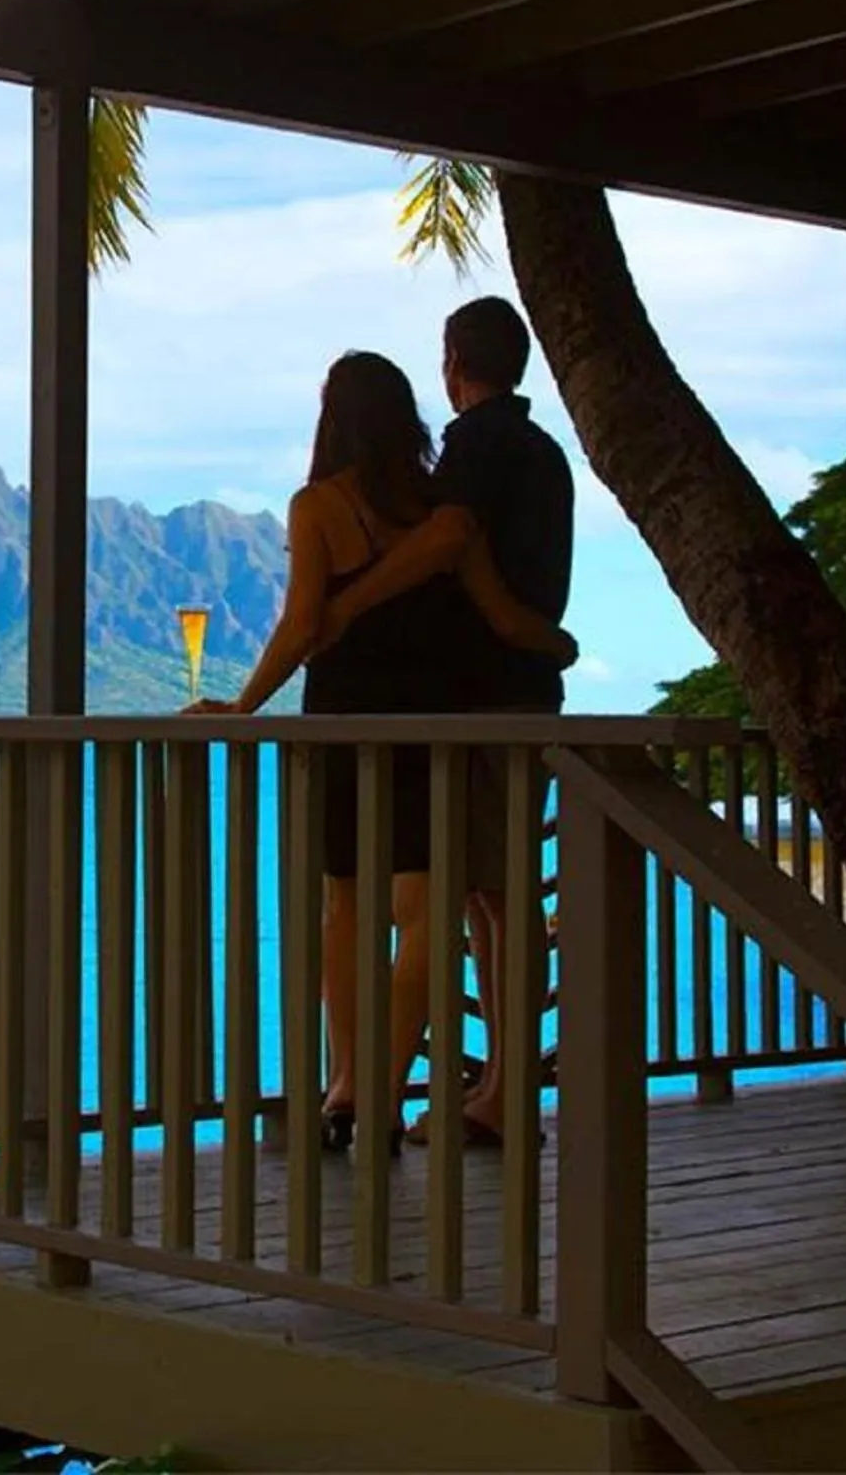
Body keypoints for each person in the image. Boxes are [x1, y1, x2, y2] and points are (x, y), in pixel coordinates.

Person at [188, 350, 574, 1155]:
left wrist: (244, 704)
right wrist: (558, 646)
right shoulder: (443, 512)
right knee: (431, 916)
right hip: (430, 730)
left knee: (347, 910)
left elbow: (303, 625)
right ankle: (377, 1084)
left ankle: (353, 1089)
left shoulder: (319, 507)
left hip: (344, 722)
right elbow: (502, 617)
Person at [312, 296, 576, 1147]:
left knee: (492, 897)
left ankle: (475, 1093)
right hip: (524, 690)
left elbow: (450, 538)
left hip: (488, 696)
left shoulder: (480, 442)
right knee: (497, 898)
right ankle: (502, 1087)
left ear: (454, 360)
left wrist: (344, 604)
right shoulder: (542, 451)